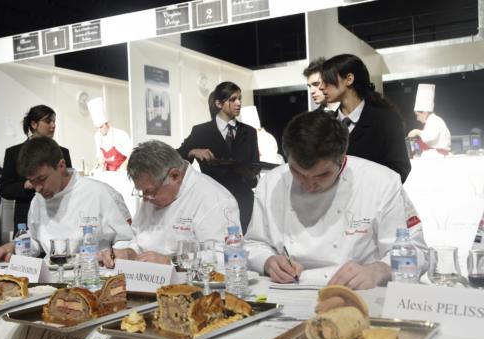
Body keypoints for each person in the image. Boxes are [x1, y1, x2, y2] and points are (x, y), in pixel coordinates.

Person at [245, 110, 427, 290]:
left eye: (322, 175)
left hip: (359, 294)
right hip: (287, 289)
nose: (309, 185)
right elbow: (254, 244)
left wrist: (378, 270)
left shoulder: (382, 182)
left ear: (342, 157)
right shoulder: (271, 183)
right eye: (297, 173)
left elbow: (417, 251)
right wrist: (268, 261)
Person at [0, 137, 133, 263]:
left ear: (61, 166)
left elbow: (126, 238)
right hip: (53, 279)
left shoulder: (100, 193)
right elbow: (36, 240)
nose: (37, 188)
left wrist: (115, 254)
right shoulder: (38, 201)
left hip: (93, 276)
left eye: (41, 179)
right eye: (32, 181)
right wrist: (14, 246)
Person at [101, 140, 240, 267]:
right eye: (142, 192)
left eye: (150, 191)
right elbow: (138, 238)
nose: (145, 199)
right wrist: (129, 252)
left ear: (175, 175)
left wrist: (171, 261)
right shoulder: (152, 194)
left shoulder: (215, 199)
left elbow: (228, 256)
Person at [177, 81, 259, 233]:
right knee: (215, 245)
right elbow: (175, 158)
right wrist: (192, 151)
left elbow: (255, 166)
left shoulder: (250, 132)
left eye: (240, 98)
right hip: (212, 202)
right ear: (219, 103)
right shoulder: (201, 131)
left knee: (246, 247)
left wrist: (252, 175)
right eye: (233, 99)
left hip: (244, 201)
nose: (239, 103)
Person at [320, 54, 411, 183]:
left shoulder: (385, 119)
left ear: (349, 79)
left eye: (327, 80)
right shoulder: (326, 125)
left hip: (373, 199)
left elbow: (399, 169)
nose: (321, 87)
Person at [0, 105, 73, 229]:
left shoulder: (62, 152)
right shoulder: (14, 152)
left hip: (59, 213)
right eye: (48, 121)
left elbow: (68, 182)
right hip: (27, 215)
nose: (53, 125)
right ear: (34, 124)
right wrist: (25, 185)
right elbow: (5, 189)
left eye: (54, 121)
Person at [87, 97, 132, 171]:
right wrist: (102, 164)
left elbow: (131, 155)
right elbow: (100, 155)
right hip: (109, 174)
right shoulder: (97, 136)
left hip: (123, 173)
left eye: (101, 127)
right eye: (97, 128)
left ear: (107, 123)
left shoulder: (120, 134)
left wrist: (122, 169)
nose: (99, 130)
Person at [407, 83, 451, 156]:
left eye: (418, 115)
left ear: (425, 113)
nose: (417, 119)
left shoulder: (435, 121)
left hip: (438, 156)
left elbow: (430, 137)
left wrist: (417, 131)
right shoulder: (430, 121)